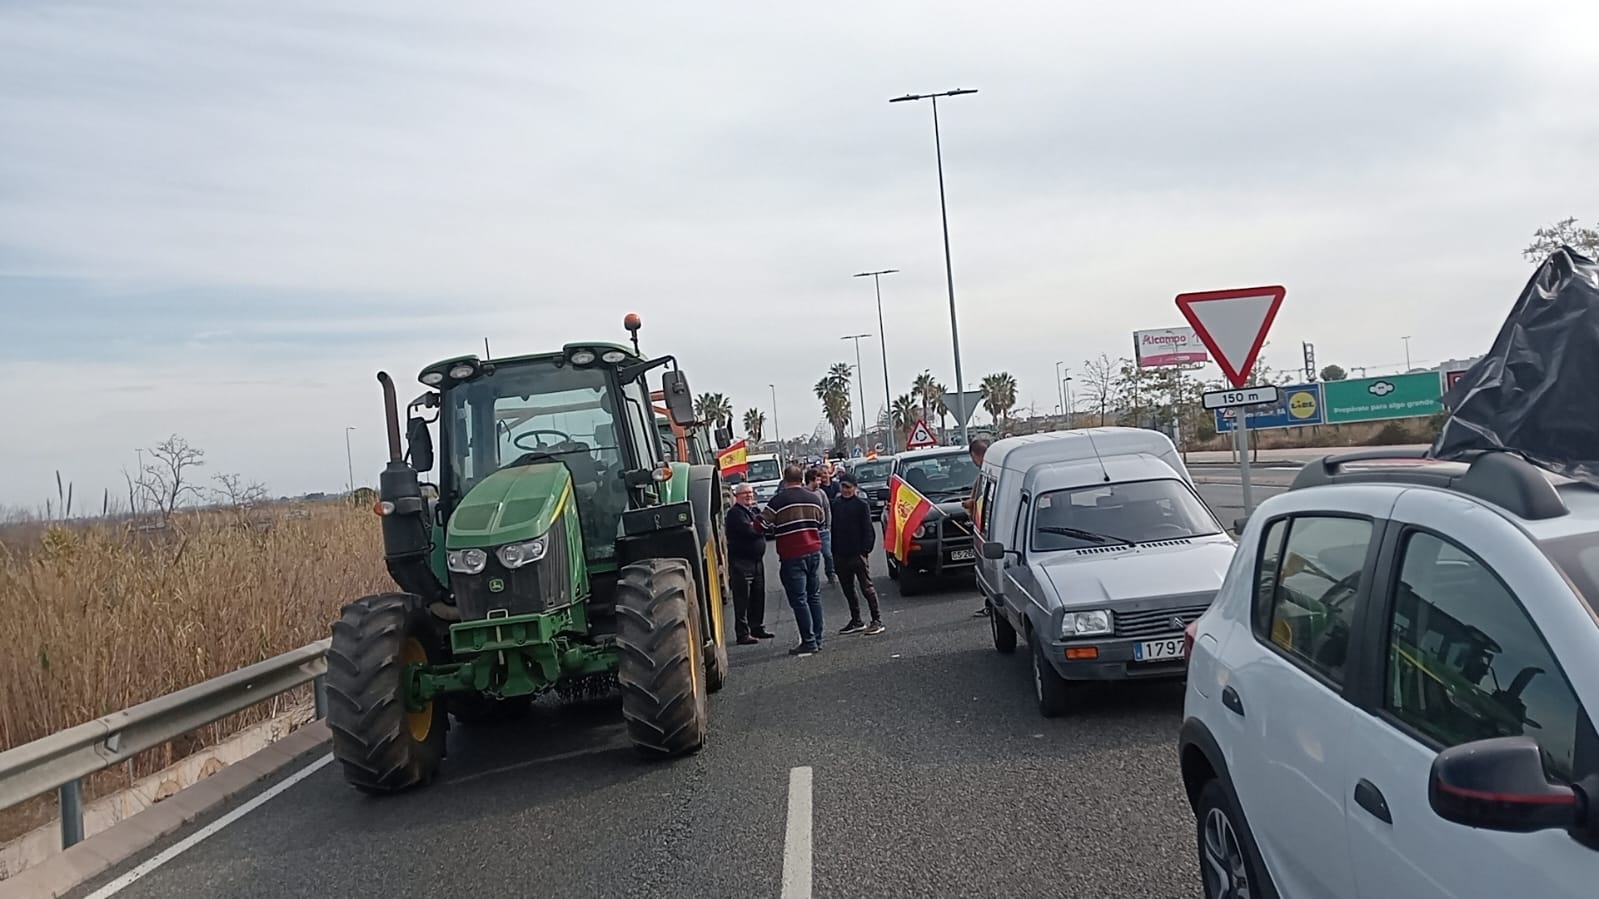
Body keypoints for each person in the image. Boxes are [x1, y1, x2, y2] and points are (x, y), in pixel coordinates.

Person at [761, 464, 828, 655]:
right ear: (801, 479)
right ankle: (818, 637)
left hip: (792, 554)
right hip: (813, 551)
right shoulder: (813, 499)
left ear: (784, 479)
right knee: (813, 596)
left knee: (799, 599)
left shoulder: (778, 501)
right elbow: (821, 521)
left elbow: (761, 524)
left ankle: (808, 640)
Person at [831, 473, 885, 635]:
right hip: (840, 553)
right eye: (843, 486)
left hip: (857, 553)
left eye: (848, 487)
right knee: (847, 588)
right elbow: (833, 527)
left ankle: (876, 619)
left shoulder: (861, 505)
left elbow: (868, 529)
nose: (845, 490)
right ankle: (856, 620)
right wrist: (833, 550)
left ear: (855, 487)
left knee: (866, 587)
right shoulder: (836, 504)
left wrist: (865, 550)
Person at [724, 483, 774, 644]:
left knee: (758, 596)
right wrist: (759, 526)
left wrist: (760, 526)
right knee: (742, 599)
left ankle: (757, 627)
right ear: (736, 496)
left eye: (750, 493)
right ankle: (743, 633)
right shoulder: (735, 513)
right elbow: (751, 530)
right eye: (745, 493)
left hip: (756, 561)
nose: (749, 496)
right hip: (741, 562)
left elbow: (766, 526)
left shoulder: (753, 511)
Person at [961, 436, 992, 617]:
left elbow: (985, 500)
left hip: (988, 530)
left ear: (975, 454)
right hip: (986, 528)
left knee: (987, 570)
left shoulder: (987, 473)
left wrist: (969, 504)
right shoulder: (990, 470)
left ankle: (991, 605)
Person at [805, 467, 838, 585]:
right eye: (817, 480)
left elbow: (827, 508)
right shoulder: (804, 494)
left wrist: (828, 526)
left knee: (828, 555)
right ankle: (813, 578)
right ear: (810, 480)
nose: (820, 483)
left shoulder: (821, 493)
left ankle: (830, 573)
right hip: (810, 531)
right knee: (812, 558)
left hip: (823, 530)